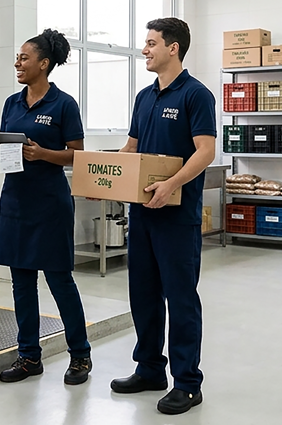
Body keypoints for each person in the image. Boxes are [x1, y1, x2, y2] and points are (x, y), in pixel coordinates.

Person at [109, 18, 215, 415]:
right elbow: (131, 148)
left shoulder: (196, 95)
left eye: (151, 43)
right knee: (144, 296)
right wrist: (102, 178)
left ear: (173, 48)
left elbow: (205, 150)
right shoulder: (144, 97)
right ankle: (150, 368)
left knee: (181, 298)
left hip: (176, 216)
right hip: (143, 215)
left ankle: (188, 383)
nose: (145, 50)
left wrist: (173, 183)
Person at [0, 29, 92, 385]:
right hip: (16, 200)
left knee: (60, 281)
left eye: (24, 58)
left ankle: (80, 356)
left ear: (44, 64)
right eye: (17, 58)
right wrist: (2, 152)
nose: (17, 63)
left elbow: (77, 154)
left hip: (50, 203)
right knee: (21, 284)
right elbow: (9, 146)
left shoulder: (64, 104)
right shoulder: (12, 103)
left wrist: (43, 154)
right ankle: (28, 357)